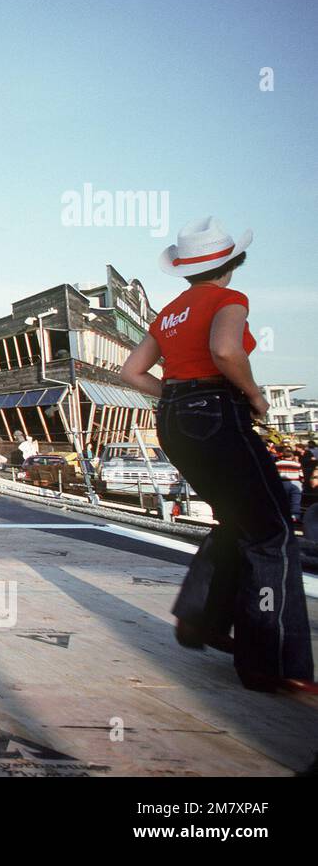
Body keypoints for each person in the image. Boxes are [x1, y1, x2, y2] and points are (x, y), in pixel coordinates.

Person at [120, 217, 314, 695]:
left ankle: (200, 617)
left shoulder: (168, 313)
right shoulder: (229, 300)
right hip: (219, 414)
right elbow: (226, 350)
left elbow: (131, 372)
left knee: (237, 520)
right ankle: (269, 661)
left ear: (185, 269)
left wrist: (179, 395)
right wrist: (254, 396)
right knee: (271, 533)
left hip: (175, 419)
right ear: (231, 263)